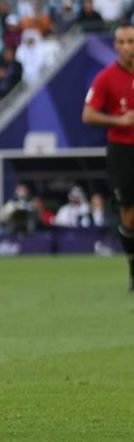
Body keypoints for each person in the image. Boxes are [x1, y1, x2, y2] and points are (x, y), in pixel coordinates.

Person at [82, 23, 134, 291]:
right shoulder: (106, 77)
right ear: (115, 45)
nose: (126, 47)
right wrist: (119, 120)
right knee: (129, 215)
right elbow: (88, 114)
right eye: (121, 42)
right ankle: (133, 268)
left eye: (131, 42)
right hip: (123, 151)